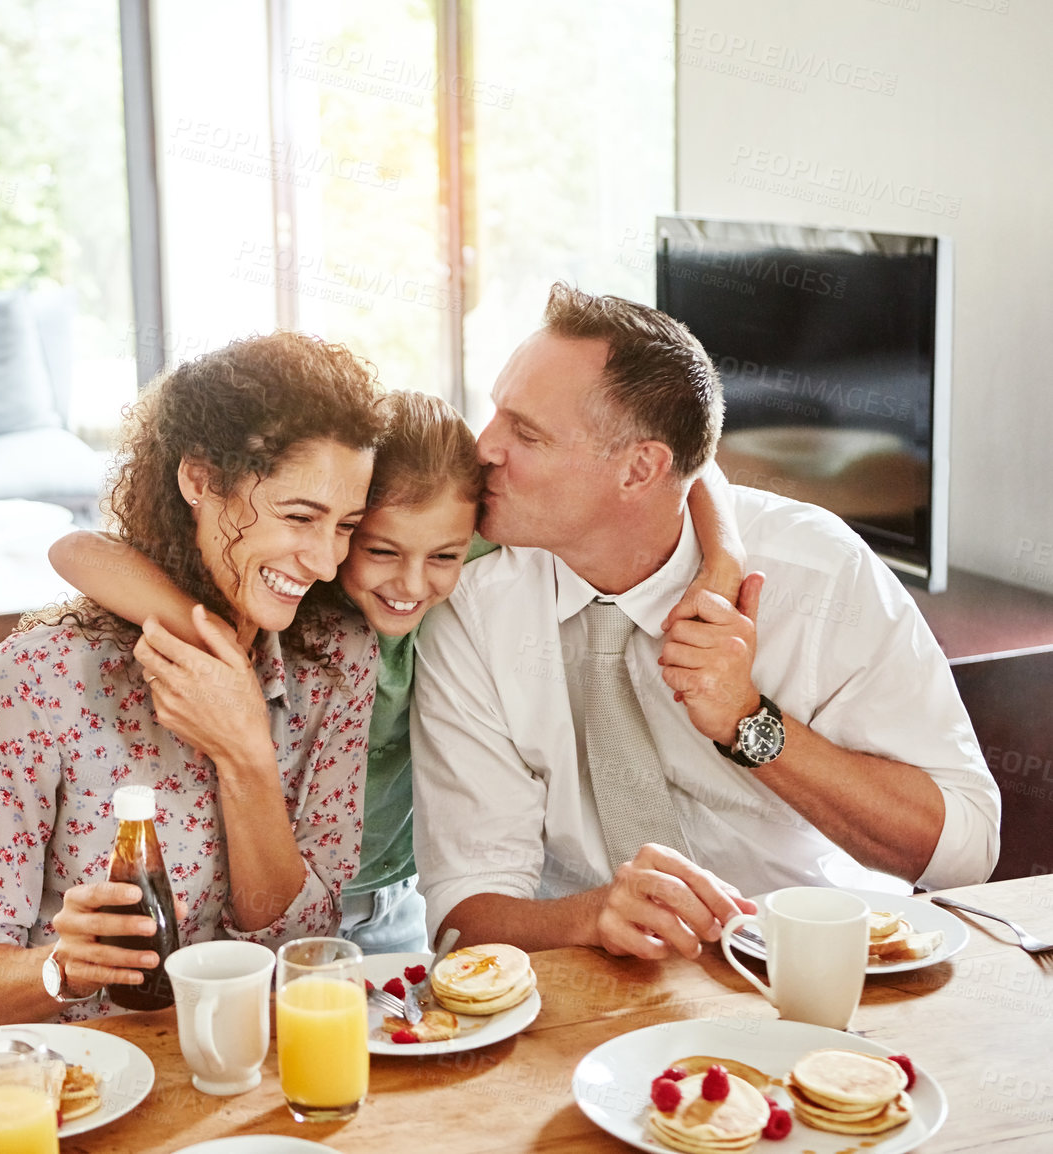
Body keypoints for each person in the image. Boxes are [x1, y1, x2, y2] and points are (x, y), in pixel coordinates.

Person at [412, 283, 1002, 962]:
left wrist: (751, 725)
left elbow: (964, 849)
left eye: (526, 432)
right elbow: (463, 911)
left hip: (811, 967)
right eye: (495, 415)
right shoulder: (471, 597)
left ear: (640, 469)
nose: (482, 446)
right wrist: (590, 915)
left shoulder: (816, 571)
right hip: (592, 986)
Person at [52, 390, 747, 954]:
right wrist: (213, 647)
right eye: (379, 549)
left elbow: (689, 465)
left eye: (441, 557)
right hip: (267, 910)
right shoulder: (299, 596)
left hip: (398, 908)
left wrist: (722, 558)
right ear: (347, 527)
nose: (410, 583)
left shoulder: (459, 553)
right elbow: (76, 548)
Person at [0, 331, 386, 1026]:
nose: (325, 562)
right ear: (200, 480)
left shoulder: (335, 659)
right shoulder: (42, 676)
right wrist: (65, 964)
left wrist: (245, 754)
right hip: (95, 1076)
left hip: (260, 1060)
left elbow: (296, 946)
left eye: (345, 526)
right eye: (299, 517)